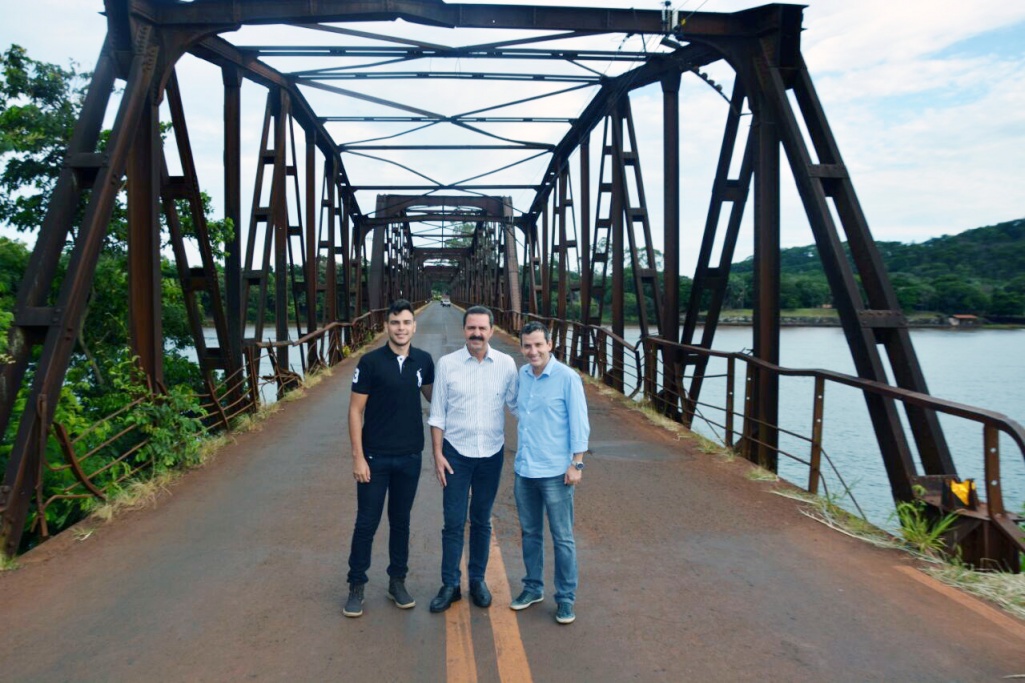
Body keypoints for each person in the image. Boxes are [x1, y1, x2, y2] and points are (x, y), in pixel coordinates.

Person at [343, 299, 434, 618]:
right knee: (366, 523)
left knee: (401, 521)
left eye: (406, 323)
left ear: (414, 326)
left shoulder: (423, 361)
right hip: (375, 457)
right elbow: (355, 411)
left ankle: (397, 581)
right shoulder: (370, 362)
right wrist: (358, 458)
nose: (401, 328)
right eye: (395, 323)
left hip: (410, 456)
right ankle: (356, 585)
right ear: (386, 326)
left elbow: (436, 399)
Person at [426, 305, 518, 613]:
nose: (476, 333)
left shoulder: (506, 365)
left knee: (481, 520)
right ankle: (450, 584)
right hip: (455, 453)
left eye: (482, 328)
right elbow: (437, 414)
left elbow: (520, 408)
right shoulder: (447, 365)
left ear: (492, 331)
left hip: (490, 455)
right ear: (464, 330)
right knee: (453, 522)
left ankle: (477, 580)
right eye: (471, 328)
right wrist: (437, 454)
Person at [509, 321, 590, 625]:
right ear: (522, 348)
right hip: (525, 469)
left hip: (557, 471)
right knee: (530, 533)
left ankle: (566, 598)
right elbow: (520, 409)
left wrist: (577, 463)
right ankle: (532, 588)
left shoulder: (567, 378)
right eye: (528, 346)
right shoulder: (524, 374)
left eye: (538, 345)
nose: (533, 351)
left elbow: (580, 423)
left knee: (563, 537)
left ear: (550, 345)